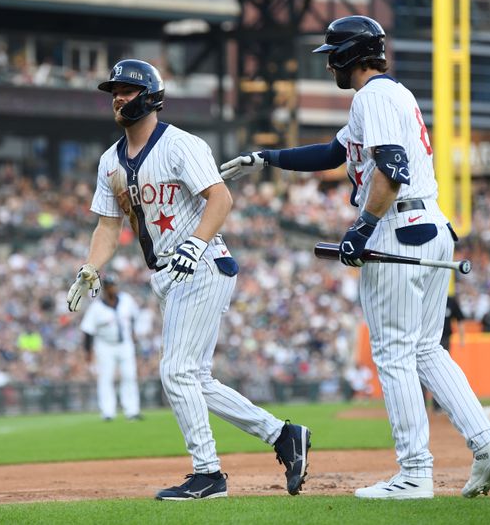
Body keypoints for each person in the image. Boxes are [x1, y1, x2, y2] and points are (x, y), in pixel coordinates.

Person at [220, 16, 490, 499]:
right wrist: (266, 158)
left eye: (332, 54)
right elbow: (332, 154)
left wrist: (364, 226)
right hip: (432, 225)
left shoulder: (370, 96)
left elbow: (391, 167)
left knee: (394, 353)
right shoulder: (391, 95)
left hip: (397, 226)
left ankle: (416, 472)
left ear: (347, 56)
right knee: (425, 349)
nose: (329, 63)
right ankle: (486, 446)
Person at [65, 59, 311, 501]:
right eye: (114, 91)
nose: (118, 97)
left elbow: (221, 198)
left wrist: (195, 243)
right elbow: (107, 225)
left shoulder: (181, 144)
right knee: (195, 378)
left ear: (151, 96)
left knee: (175, 371)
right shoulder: (109, 161)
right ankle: (284, 436)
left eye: (127, 90)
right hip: (167, 275)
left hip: (202, 263)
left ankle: (209, 474)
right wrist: (92, 267)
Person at [79, 274, 142, 421]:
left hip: (125, 343)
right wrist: (88, 353)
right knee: (106, 378)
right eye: (109, 286)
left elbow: (133, 318)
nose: (112, 288)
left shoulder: (126, 300)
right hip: (105, 346)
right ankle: (108, 412)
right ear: (104, 289)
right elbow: (88, 331)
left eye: (113, 285)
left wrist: (133, 335)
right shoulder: (96, 308)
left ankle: (132, 410)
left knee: (129, 375)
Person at [425, 295, 466, 412]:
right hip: (425, 338)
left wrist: (462, 338)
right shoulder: (427, 296)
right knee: (422, 372)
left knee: (439, 372)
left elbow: (460, 319)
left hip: (444, 340)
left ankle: (437, 405)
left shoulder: (450, 301)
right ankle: (421, 405)